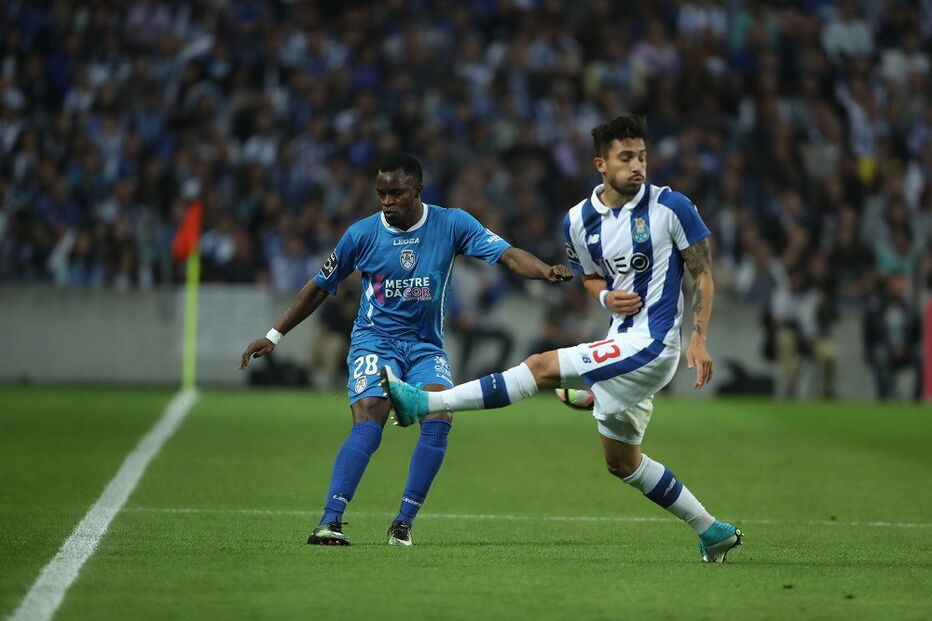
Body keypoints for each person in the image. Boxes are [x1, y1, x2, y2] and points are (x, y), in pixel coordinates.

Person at [382, 117, 743, 562]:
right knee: (622, 463)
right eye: (626, 158)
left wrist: (699, 339)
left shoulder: (671, 207)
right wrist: (607, 294)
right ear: (601, 164)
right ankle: (711, 531)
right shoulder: (578, 221)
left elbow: (702, 272)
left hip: (652, 345)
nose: (638, 167)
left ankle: (424, 403)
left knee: (538, 367)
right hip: (622, 341)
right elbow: (590, 278)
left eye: (642, 157)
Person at [240, 153, 572, 546]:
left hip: (425, 347)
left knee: (440, 415)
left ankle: (403, 523)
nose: (386, 201)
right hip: (373, 341)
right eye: (380, 193)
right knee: (371, 416)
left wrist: (545, 269)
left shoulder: (452, 224)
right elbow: (318, 287)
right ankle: (330, 521)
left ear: (417, 191)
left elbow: (509, 254)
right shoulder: (361, 235)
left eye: (395, 193)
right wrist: (274, 335)